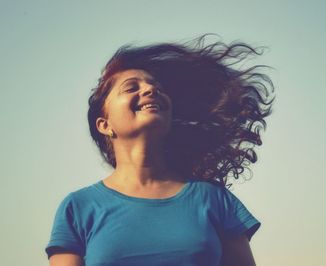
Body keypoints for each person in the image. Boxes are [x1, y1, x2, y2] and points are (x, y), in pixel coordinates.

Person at [45, 33, 275, 266]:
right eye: (131, 88)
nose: (150, 90)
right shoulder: (78, 208)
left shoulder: (214, 199)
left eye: (157, 87)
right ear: (105, 125)